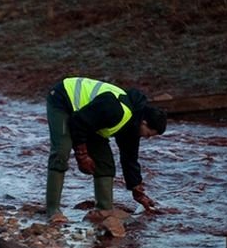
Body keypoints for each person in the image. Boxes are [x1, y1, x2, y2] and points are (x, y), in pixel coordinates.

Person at [45, 76, 167, 223]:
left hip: (89, 119)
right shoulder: (115, 109)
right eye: (148, 134)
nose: (147, 138)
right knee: (61, 151)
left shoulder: (132, 129)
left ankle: (103, 210)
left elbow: (129, 159)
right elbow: (77, 123)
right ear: (144, 122)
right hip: (63, 99)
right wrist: (82, 155)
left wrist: (137, 191)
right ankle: (53, 210)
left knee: (105, 162)